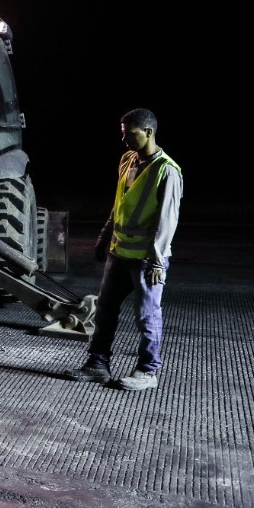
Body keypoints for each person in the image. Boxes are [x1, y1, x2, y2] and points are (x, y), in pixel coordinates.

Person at [65, 108, 183, 391]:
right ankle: (97, 364)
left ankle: (148, 370)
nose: (125, 140)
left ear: (149, 132)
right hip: (119, 255)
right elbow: (120, 203)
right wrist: (105, 236)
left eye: (130, 134)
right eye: (123, 133)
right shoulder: (127, 161)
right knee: (105, 310)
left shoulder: (167, 170)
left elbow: (167, 220)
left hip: (145, 261)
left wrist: (157, 262)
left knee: (147, 316)